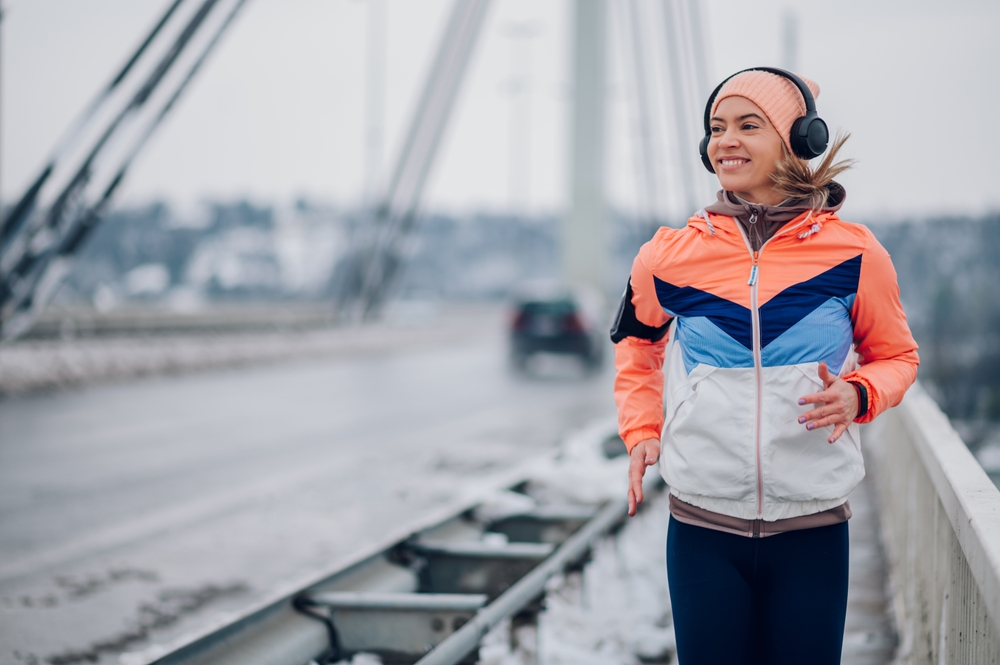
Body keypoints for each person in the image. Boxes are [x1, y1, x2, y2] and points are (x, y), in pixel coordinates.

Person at [610, 67, 919, 665]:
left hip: (813, 529)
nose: (726, 140)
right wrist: (643, 430)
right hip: (702, 529)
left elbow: (897, 358)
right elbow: (637, 346)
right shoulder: (667, 256)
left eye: (749, 125)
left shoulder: (855, 254)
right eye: (717, 127)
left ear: (799, 141)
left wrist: (859, 394)